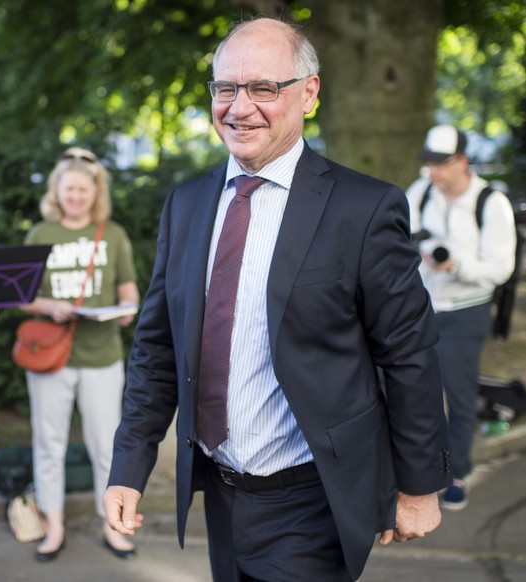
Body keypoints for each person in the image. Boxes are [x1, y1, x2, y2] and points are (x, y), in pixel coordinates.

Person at [102, 18, 451, 582]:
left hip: (311, 501)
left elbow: (409, 354)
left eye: (263, 88)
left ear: (308, 94)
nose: (239, 107)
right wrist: (129, 467)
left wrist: (418, 486)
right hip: (220, 493)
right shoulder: (186, 206)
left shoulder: (363, 210)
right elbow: (157, 348)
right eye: (225, 88)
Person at [20, 147, 140, 563]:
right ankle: (53, 528)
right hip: (51, 356)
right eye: (69, 189)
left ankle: (113, 526)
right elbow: (20, 295)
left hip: (101, 355)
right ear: (57, 191)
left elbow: (128, 292)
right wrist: (48, 307)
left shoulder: (113, 235)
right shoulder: (40, 236)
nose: (76, 196)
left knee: (107, 446)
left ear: (95, 192)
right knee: (48, 443)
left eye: (83, 189)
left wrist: (126, 312)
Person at [405, 124, 516, 511]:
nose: (433, 171)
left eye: (441, 163)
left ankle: (456, 474)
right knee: (412, 392)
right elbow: (398, 234)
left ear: (463, 161)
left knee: (458, 396)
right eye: (429, 162)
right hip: (421, 307)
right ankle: (416, 473)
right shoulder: (419, 193)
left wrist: (455, 265)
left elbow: (501, 268)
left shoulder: (490, 202)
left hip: (467, 310)